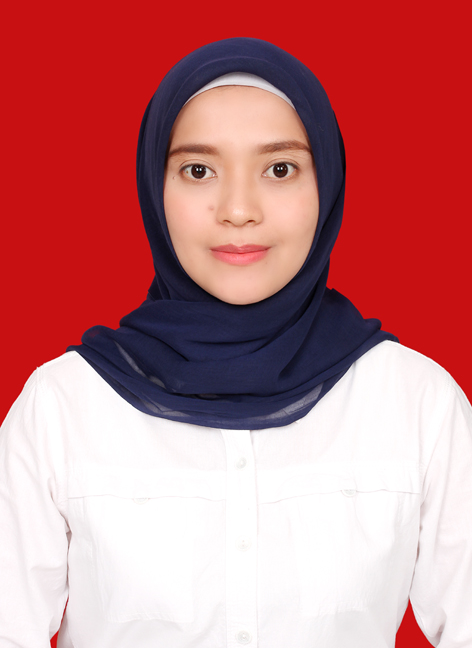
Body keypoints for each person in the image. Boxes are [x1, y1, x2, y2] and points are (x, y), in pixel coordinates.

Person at [0, 37, 471, 648]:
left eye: (280, 169)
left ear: (326, 184)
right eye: (199, 171)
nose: (239, 210)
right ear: (154, 187)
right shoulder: (62, 408)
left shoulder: (416, 403)